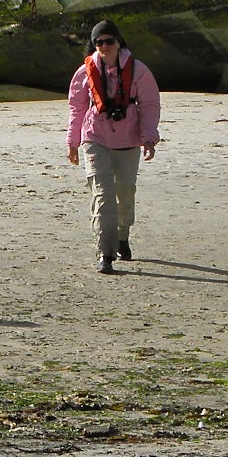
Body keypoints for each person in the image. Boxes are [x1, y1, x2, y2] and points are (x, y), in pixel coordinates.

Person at [66, 20, 161, 274]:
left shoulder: (139, 71)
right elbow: (76, 109)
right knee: (103, 195)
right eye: (99, 42)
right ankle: (105, 252)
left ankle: (122, 236)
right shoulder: (83, 73)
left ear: (119, 43)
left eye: (109, 41)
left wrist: (149, 138)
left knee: (125, 193)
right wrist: (72, 142)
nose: (104, 46)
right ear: (94, 46)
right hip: (94, 138)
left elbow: (150, 105)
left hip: (128, 141)